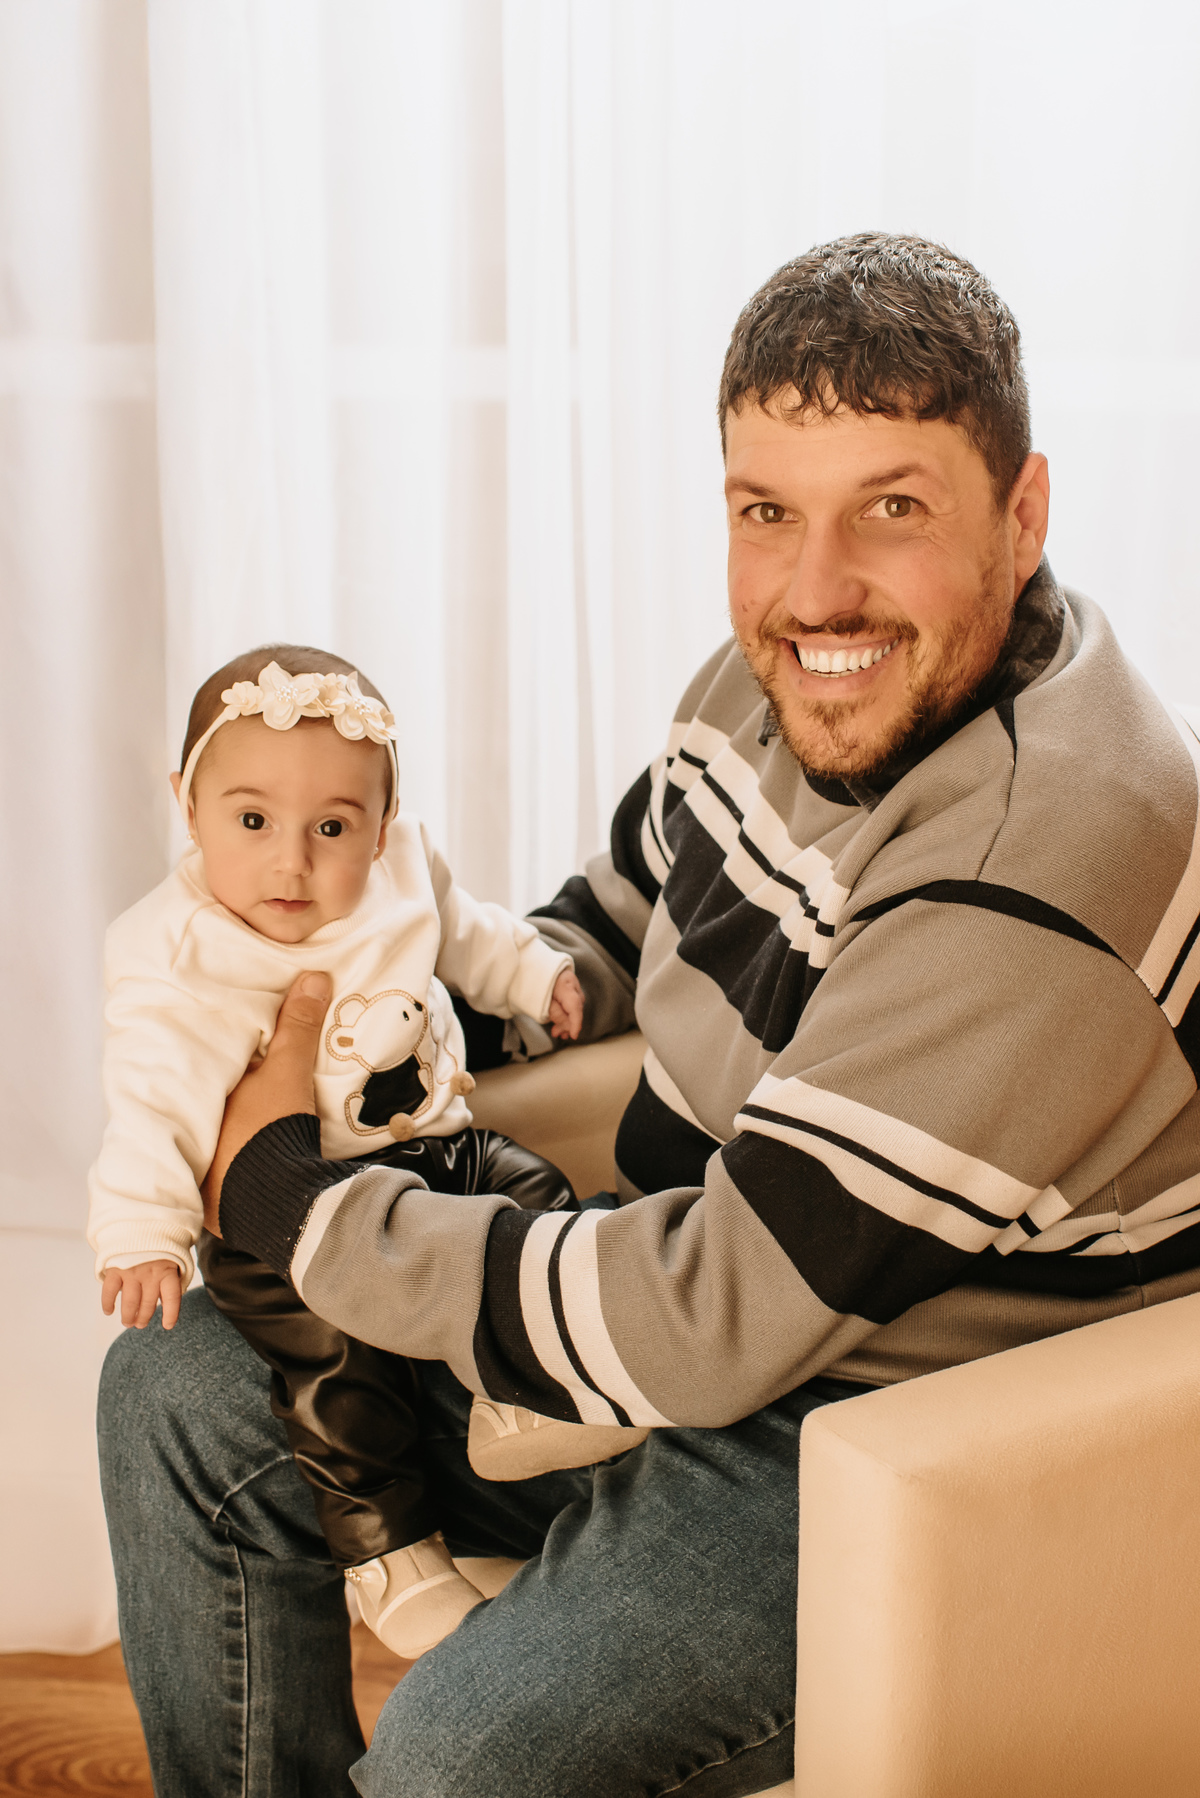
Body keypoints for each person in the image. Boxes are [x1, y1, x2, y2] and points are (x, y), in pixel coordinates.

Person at [99, 232, 1200, 1797]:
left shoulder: (1046, 857)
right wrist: (367, 1016)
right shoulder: (788, 681)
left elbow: (714, 1315)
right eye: (767, 511)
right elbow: (621, 917)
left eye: (893, 508)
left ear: (1023, 515)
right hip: (697, 1307)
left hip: (899, 1440)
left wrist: (294, 1194)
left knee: (454, 1757)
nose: (815, 589)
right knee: (176, 1385)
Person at [87, 642, 642, 1661]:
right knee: (333, 1358)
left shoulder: (402, 869)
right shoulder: (178, 953)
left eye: (332, 827)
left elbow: (468, 933)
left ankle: (525, 1387)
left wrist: (535, 977)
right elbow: (152, 1100)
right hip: (283, 1217)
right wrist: (141, 1230)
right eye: (252, 821)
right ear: (187, 806)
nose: (291, 862)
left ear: (381, 827)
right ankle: (388, 1551)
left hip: (438, 1155)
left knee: (534, 1194)